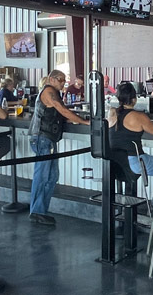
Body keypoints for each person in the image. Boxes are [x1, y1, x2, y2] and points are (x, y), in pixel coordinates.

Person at [28, 70, 90, 226]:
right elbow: (62, 110)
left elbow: (59, 113)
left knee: (52, 175)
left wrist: (71, 119)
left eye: (64, 80)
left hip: (46, 138)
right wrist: (84, 122)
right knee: (43, 176)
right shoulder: (49, 91)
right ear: (51, 79)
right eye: (60, 80)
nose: (63, 83)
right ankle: (37, 212)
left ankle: (40, 210)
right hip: (42, 138)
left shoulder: (53, 92)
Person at [108, 83, 153, 198]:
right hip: (134, 162)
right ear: (134, 99)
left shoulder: (112, 114)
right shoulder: (138, 116)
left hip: (115, 163)